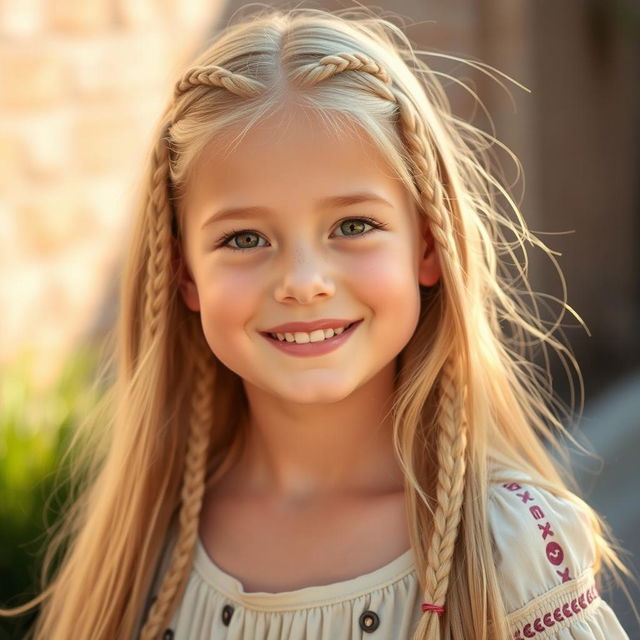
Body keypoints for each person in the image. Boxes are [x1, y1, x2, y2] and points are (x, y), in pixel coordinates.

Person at [1, 6, 635, 640]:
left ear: (428, 246)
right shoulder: (145, 545)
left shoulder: (507, 551)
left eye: (353, 226)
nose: (304, 281)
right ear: (183, 274)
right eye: (244, 237)